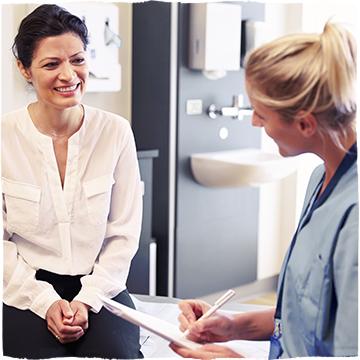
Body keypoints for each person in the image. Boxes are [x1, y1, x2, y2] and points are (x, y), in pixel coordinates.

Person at [170, 21, 357, 358]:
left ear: (304, 123)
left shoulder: (354, 216)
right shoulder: (320, 179)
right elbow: (307, 316)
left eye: (261, 113)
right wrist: (235, 326)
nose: (254, 122)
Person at [2, 4, 143, 359]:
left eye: (78, 60)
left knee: (121, 354)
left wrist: (88, 299)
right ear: (25, 69)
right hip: (24, 286)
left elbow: (123, 235)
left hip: (100, 287)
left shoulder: (115, 132)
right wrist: (44, 301)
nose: (69, 75)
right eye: (51, 64)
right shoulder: (3, 137)